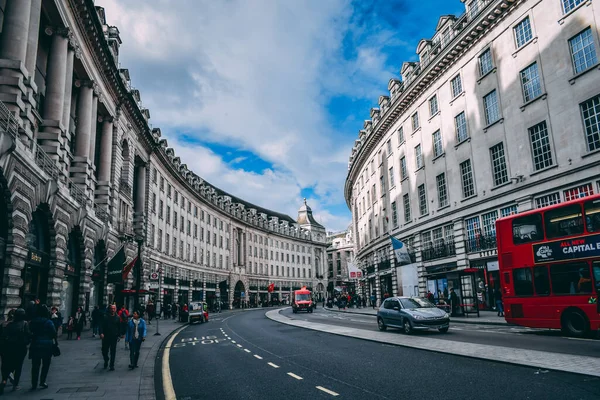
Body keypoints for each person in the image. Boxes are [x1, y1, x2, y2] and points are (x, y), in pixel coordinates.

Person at [0, 308, 30, 393]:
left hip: (8, 347)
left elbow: (3, 336)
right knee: (18, 366)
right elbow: (28, 335)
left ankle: (4, 380)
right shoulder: (24, 324)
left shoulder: (7, 325)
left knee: (7, 364)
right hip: (20, 348)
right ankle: (15, 385)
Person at [29, 305, 56, 390]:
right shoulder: (48, 322)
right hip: (47, 345)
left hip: (35, 344)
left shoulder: (33, 322)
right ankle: (42, 381)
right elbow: (54, 333)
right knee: (46, 364)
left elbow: (29, 332)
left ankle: (34, 383)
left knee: (35, 365)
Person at [99, 304, 120, 371]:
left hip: (114, 336)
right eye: (112, 308)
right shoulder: (105, 316)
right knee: (104, 350)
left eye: (114, 308)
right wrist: (101, 333)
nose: (113, 310)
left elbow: (119, 327)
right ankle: (106, 359)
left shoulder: (117, 317)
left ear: (116, 309)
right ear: (109, 309)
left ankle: (112, 365)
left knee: (113, 351)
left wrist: (119, 335)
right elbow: (101, 325)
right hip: (106, 336)